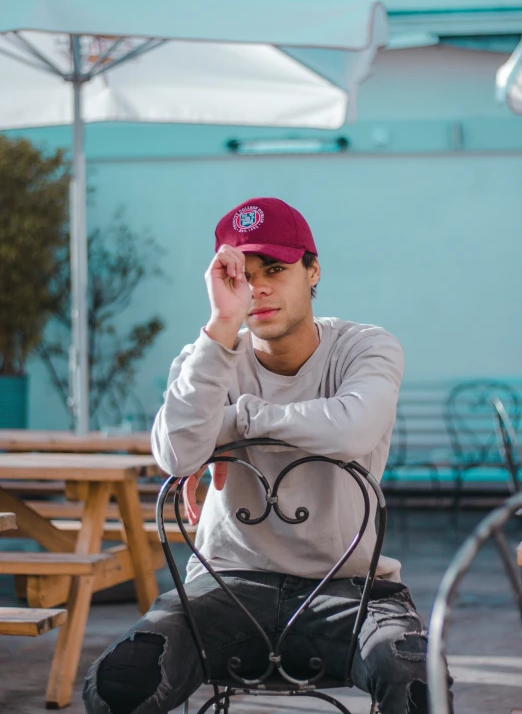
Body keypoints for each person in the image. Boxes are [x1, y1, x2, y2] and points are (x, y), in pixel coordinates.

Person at [84, 197, 452, 714]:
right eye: (241, 274)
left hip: (350, 591)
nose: (257, 288)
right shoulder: (205, 359)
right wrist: (221, 326)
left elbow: (353, 428)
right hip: (224, 586)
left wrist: (233, 424)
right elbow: (174, 454)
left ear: (313, 269)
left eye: (275, 270)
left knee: (419, 689)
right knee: (116, 685)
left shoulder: (365, 347)